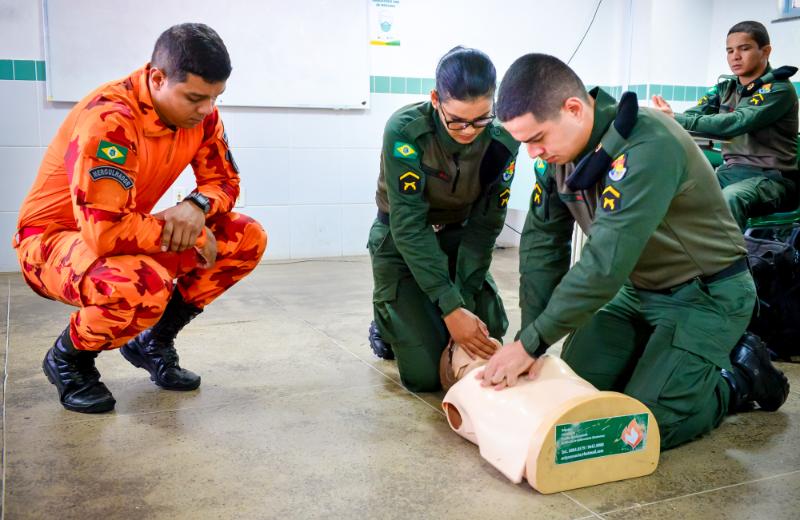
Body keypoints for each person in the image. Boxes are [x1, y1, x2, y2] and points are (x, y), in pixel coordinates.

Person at [478, 53, 789, 449]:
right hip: (635, 291)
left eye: (536, 139)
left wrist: (531, 344)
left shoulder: (648, 144)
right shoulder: (560, 158)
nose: (533, 153)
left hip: (706, 296)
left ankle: (739, 378)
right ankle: (664, 366)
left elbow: (605, 262)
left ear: (573, 108)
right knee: (571, 397)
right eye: (525, 143)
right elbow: (542, 249)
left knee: (636, 432)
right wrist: (530, 339)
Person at [13, 23, 267, 414]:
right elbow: (105, 235)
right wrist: (196, 237)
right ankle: (69, 359)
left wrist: (196, 205)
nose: (207, 110)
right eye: (196, 98)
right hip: (49, 244)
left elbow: (226, 182)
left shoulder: (202, 117)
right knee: (143, 285)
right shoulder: (110, 119)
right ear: (157, 77)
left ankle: (153, 341)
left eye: (216, 98)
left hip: (118, 229)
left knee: (245, 236)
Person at [367, 46, 518, 392]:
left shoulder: (503, 140)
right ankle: (386, 323)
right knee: (423, 376)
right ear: (435, 99)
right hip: (401, 240)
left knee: (489, 329)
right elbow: (409, 226)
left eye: (481, 119)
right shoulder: (406, 132)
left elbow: (485, 226)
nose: (468, 130)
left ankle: (430, 313)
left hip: (458, 234)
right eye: (457, 120)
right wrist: (450, 308)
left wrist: (461, 303)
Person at [652, 20, 798, 230]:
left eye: (744, 48)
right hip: (730, 172)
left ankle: (727, 262)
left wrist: (676, 118)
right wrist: (670, 118)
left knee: (730, 198)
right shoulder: (725, 88)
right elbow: (694, 114)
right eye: (729, 51)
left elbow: (737, 122)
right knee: (673, 193)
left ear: (765, 51)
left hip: (772, 178)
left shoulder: (778, 89)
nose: (735, 57)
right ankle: (678, 257)